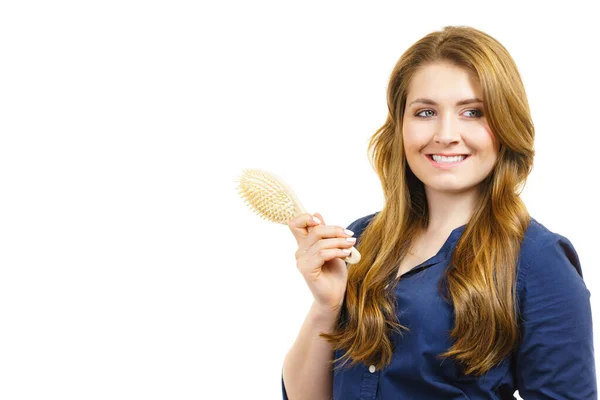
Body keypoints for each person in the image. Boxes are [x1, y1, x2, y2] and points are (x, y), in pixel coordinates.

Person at [280, 25, 597, 399]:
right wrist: (326, 306)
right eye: (426, 111)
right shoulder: (361, 240)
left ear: (506, 124)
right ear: (399, 126)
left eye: (473, 112)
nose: (446, 134)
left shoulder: (538, 262)